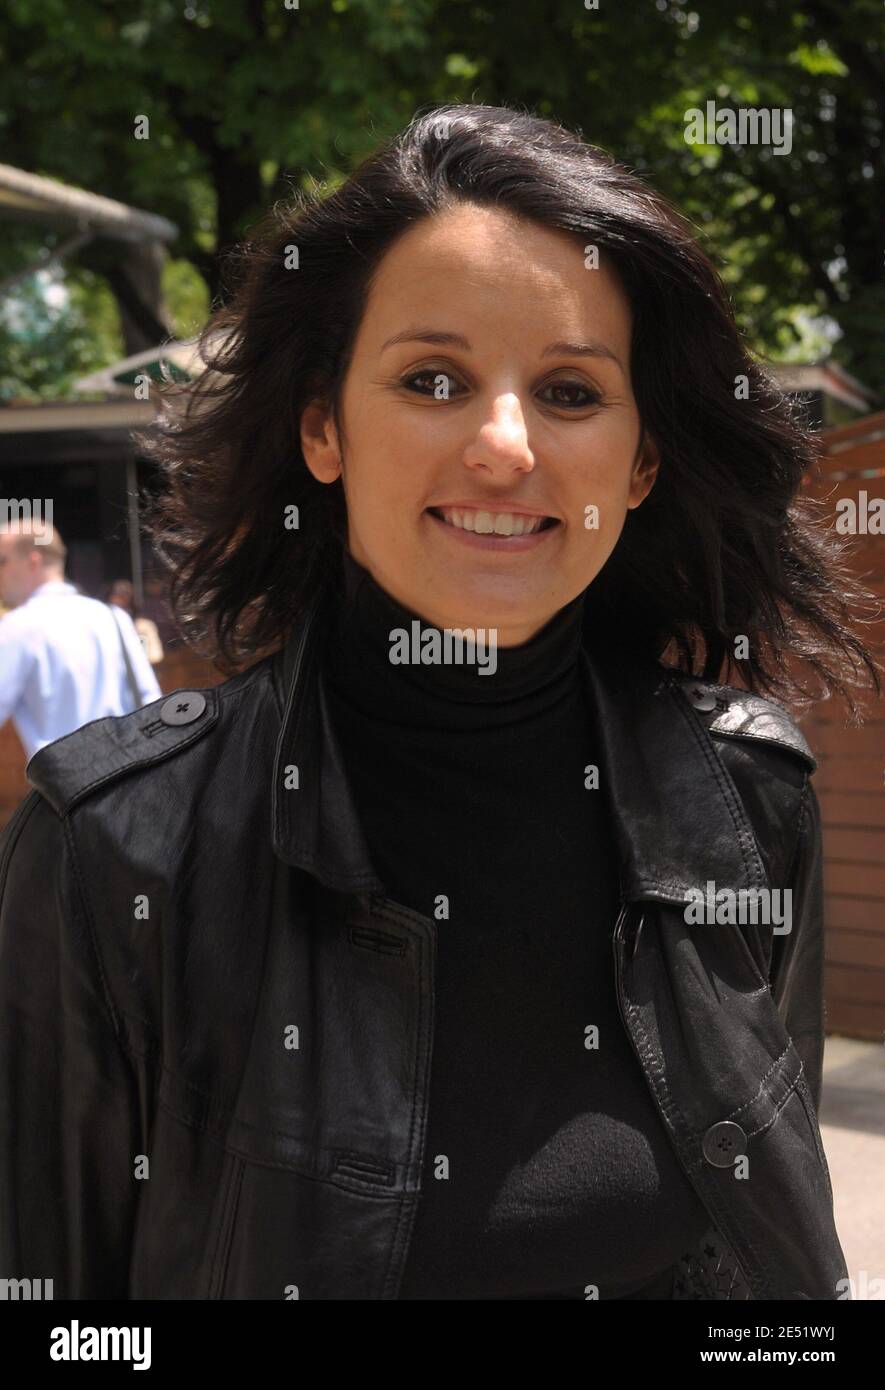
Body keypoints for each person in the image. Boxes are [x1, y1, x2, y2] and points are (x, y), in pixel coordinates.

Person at [0, 103, 879, 1301]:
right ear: (324, 427)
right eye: (432, 378)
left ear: (640, 464)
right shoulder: (112, 849)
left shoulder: (747, 801)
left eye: (572, 392)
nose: (505, 445)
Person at [0, 521, 162, 761]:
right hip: (133, 780)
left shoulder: (16, 628)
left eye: (2, 561)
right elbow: (152, 706)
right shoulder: (115, 619)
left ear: (32, 561)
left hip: (69, 789)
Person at [107, 578, 165, 666]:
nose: (120, 600)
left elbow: (156, 656)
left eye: (125, 595)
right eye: (117, 595)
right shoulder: (101, 627)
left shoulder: (144, 626)